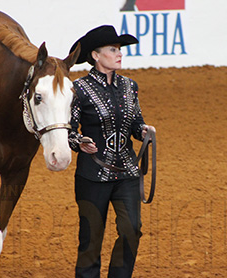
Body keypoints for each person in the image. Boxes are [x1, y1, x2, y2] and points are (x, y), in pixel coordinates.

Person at [68, 25, 156, 278]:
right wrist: (79, 141)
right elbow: (69, 130)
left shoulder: (130, 86)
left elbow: (135, 122)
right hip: (92, 175)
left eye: (119, 49)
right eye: (112, 49)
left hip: (127, 172)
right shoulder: (78, 89)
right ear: (95, 55)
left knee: (132, 229)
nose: (119, 54)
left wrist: (144, 131)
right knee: (90, 239)